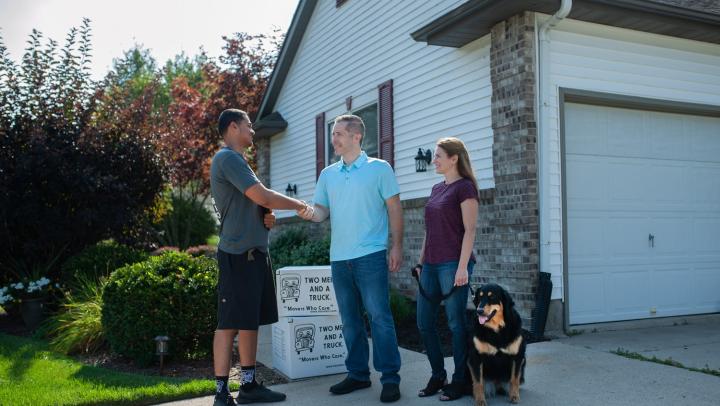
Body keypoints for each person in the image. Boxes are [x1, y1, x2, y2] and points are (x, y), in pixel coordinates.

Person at [298, 114, 404, 403]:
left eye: (339, 134)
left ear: (357, 136)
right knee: (349, 320)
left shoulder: (380, 169)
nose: (334, 140)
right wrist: (305, 211)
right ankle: (358, 374)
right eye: (333, 135)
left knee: (380, 317)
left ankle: (390, 378)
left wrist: (397, 246)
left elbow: (394, 208)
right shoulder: (327, 175)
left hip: (370, 255)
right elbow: (321, 213)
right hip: (339, 258)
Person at [211, 108, 309, 406]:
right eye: (248, 126)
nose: (252, 131)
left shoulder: (240, 161)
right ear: (232, 127)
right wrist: (301, 206)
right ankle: (220, 393)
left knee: (250, 321)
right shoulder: (226, 158)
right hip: (237, 254)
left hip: (254, 254)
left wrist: (267, 216)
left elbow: (257, 203)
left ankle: (250, 386)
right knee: (229, 323)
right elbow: (262, 195)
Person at [415, 137, 479, 401]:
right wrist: (420, 263)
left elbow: (470, 230)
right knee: (423, 323)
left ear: (454, 158)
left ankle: (460, 380)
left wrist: (462, 268)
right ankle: (437, 374)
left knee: (455, 324)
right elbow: (428, 232)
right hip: (430, 265)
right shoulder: (435, 189)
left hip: (453, 264)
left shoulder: (465, 188)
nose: (434, 160)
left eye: (439, 156)